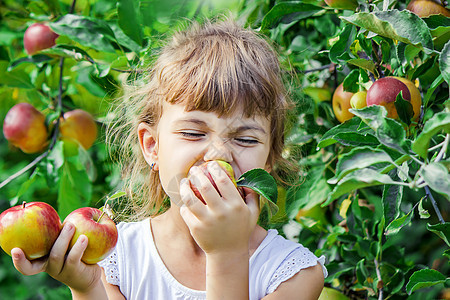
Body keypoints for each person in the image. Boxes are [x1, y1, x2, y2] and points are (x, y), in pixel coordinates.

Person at [11, 16, 327, 299]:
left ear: (268, 161)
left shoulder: (292, 275)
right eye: (193, 133)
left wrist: (227, 254)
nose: (218, 154)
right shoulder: (115, 257)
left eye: (245, 138)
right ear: (152, 147)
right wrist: (87, 287)